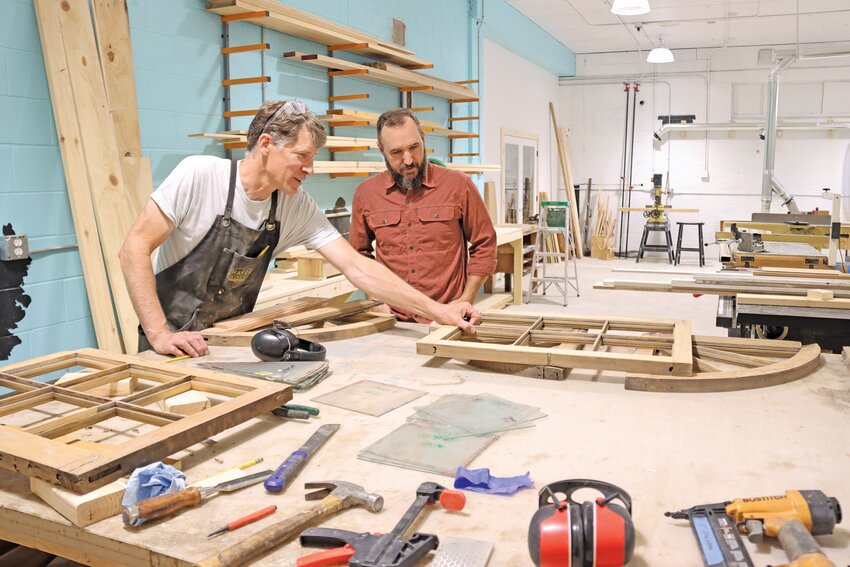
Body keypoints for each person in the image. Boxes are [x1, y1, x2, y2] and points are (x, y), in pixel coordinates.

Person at [119, 99, 480, 357]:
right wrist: (159, 333)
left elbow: (357, 266)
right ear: (266, 145)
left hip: (229, 344)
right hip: (169, 347)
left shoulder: (293, 204)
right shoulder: (200, 176)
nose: (310, 168)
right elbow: (133, 248)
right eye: (302, 156)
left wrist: (439, 311)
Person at [349, 108, 497, 323]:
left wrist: (466, 298)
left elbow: (485, 244)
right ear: (381, 150)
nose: (408, 160)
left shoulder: (458, 185)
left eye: (414, 147)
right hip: (392, 320)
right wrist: (375, 300)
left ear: (424, 138)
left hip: (448, 317)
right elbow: (357, 256)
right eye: (396, 152)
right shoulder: (366, 194)